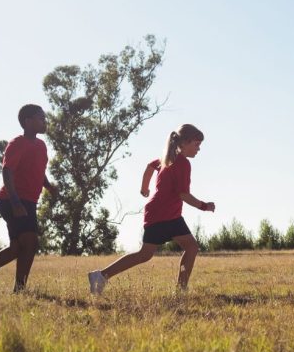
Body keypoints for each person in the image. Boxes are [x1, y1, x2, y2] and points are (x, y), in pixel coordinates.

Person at [88, 124, 214, 294]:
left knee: (186, 248)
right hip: (164, 215)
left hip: (165, 213)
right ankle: (102, 276)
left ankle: (180, 289)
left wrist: (144, 188)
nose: (198, 149)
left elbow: (150, 167)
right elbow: (184, 194)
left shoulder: (166, 157)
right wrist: (204, 206)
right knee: (148, 254)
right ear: (184, 143)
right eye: (196, 144)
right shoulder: (183, 163)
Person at [0, 104, 56, 295]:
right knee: (30, 242)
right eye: (41, 118)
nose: (44, 121)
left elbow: (40, 171)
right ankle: (19, 290)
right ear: (28, 122)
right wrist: (15, 202)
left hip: (28, 201)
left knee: (18, 247)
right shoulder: (17, 143)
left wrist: (49, 187)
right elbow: (7, 172)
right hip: (13, 200)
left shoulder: (41, 146)